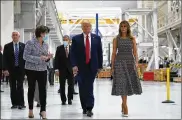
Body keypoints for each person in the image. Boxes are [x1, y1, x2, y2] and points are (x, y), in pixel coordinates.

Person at [70, 20, 103, 117]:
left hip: (92, 66)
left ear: (91, 27)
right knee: (82, 87)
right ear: (82, 27)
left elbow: (99, 52)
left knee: (89, 86)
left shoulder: (96, 38)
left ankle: (89, 107)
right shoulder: (76, 39)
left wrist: (100, 66)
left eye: (88, 26)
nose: (86, 28)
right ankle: (84, 106)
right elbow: (73, 53)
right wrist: (74, 65)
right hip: (80, 67)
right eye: (84, 26)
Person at [111, 20, 142, 117]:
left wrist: (136, 62)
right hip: (119, 63)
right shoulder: (116, 39)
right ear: (120, 28)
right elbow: (113, 53)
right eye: (122, 26)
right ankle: (125, 105)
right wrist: (112, 66)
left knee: (127, 84)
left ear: (128, 28)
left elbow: (135, 52)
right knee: (122, 83)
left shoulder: (132, 39)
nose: (123, 28)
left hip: (129, 63)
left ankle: (123, 103)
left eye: (125, 26)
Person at [23, 25, 52, 119]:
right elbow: (25, 56)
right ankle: (30, 109)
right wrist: (39, 58)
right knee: (31, 89)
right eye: (45, 33)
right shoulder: (30, 43)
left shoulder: (46, 44)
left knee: (43, 90)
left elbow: (45, 58)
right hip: (31, 69)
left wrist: (48, 58)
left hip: (42, 70)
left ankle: (43, 110)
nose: (46, 35)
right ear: (40, 33)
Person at [3, 31, 26, 109]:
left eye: (16, 35)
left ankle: (21, 103)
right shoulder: (7, 46)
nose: (15, 36)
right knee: (12, 86)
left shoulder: (24, 46)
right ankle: (14, 103)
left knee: (20, 86)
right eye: (13, 35)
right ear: (12, 37)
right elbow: (4, 59)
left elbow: (25, 59)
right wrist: (5, 69)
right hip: (11, 70)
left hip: (21, 70)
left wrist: (26, 70)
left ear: (19, 36)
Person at [55, 35, 74, 105]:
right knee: (62, 85)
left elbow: (75, 59)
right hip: (62, 70)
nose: (65, 41)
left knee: (71, 85)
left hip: (70, 70)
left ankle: (69, 99)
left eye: (66, 40)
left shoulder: (73, 48)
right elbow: (56, 59)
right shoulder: (59, 48)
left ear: (69, 40)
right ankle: (63, 100)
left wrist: (76, 68)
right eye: (64, 40)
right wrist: (56, 69)